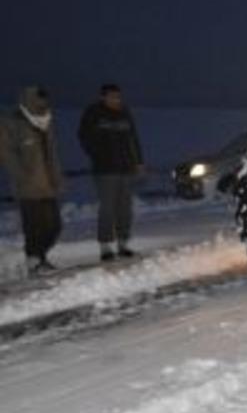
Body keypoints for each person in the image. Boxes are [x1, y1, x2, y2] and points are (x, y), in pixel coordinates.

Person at [0, 86, 64, 275]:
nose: (42, 104)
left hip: (48, 184)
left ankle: (40, 256)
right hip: (28, 186)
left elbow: (52, 155)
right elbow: (7, 154)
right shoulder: (13, 122)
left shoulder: (46, 122)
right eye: (38, 100)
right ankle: (34, 260)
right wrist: (22, 176)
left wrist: (58, 178)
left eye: (44, 100)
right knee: (34, 225)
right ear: (28, 100)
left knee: (54, 226)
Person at [78, 84, 144, 261]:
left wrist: (138, 162)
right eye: (112, 96)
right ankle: (105, 246)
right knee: (107, 207)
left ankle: (123, 243)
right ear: (103, 97)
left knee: (125, 207)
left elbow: (134, 139)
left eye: (118, 96)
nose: (116, 99)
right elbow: (84, 137)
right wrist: (98, 154)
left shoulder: (125, 113)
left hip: (126, 168)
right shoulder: (94, 113)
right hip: (105, 170)